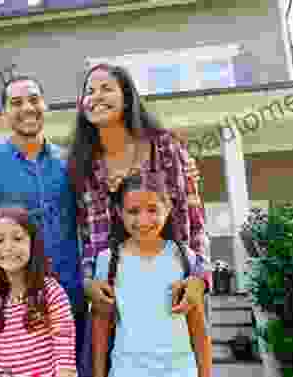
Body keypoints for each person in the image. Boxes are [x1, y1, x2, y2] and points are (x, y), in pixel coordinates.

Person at [66, 63, 212, 375]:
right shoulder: (82, 164)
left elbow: (195, 220)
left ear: (127, 97)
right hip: (115, 299)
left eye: (106, 88)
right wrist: (89, 281)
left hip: (173, 289)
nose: (96, 97)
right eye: (89, 91)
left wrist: (200, 279)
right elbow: (86, 237)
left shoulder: (165, 147)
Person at [0, 76, 87, 373]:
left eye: (33, 99)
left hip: (69, 299)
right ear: (3, 114)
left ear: (45, 106)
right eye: (16, 102)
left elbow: (92, 220)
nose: (27, 107)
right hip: (13, 305)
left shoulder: (70, 162)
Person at [91, 175, 211, 377]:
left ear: (169, 208)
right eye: (133, 212)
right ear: (119, 213)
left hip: (180, 371)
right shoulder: (107, 260)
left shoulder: (184, 257)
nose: (143, 220)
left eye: (153, 210)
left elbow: (199, 328)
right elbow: (101, 327)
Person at [0, 206, 77, 377]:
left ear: (32, 244)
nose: (8, 247)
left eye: (18, 238)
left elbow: (65, 352)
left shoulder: (50, 292)